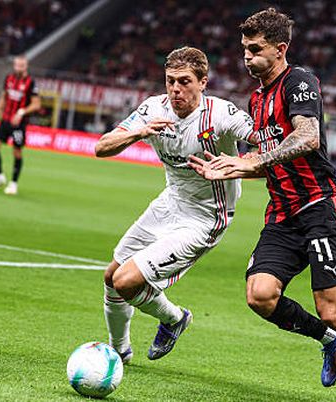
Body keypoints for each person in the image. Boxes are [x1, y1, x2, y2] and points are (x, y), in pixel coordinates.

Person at [189, 8, 336, 401]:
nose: (247, 57)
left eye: (255, 49)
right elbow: (272, 160)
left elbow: (307, 139)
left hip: (319, 209)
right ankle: (328, 340)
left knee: (333, 309)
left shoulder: (298, 82)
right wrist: (232, 169)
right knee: (260, 295)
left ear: (280, 48)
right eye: (244, 49)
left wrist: (248, 160)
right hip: (282, 216)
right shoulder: (257, 98)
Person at [95, 47, 255, 363]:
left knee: (126, 282)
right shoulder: (153, 109)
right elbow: (102, 147)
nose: (175, 90)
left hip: (206, 218)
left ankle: (173, 318)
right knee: (111, 277)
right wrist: (138, 132)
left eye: (184, 81)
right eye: (170, 81)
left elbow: (269, 147)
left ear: (203, 82)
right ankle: (119, 351)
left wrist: (237, 162)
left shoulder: (222, 114)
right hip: (169, 203)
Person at [0, 55, 40, 195]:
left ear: (26, 66)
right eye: (17, 65)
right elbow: (3, 98)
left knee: (16, 151)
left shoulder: (31, 83)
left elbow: (36, 104)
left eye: (21, 66)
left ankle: (14, 183)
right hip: (6, 120)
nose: (19, 68)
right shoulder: (9, 79)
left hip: (19, 124)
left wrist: (21, 112)